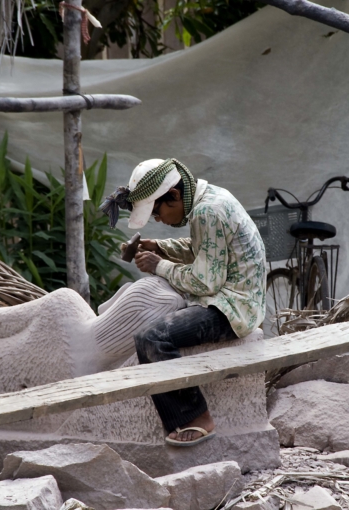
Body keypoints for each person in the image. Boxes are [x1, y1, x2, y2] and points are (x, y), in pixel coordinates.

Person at [100, 158, 266, 446]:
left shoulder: (206, 211)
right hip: (237, 297)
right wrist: (160, 246)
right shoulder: (210, 197)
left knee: (152, 338)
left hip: (233, 308)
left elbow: (205, 282)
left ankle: (195, 417)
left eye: (157, 212)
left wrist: (159, 265)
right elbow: (205, 248)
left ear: (174, 195)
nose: (158, 219)